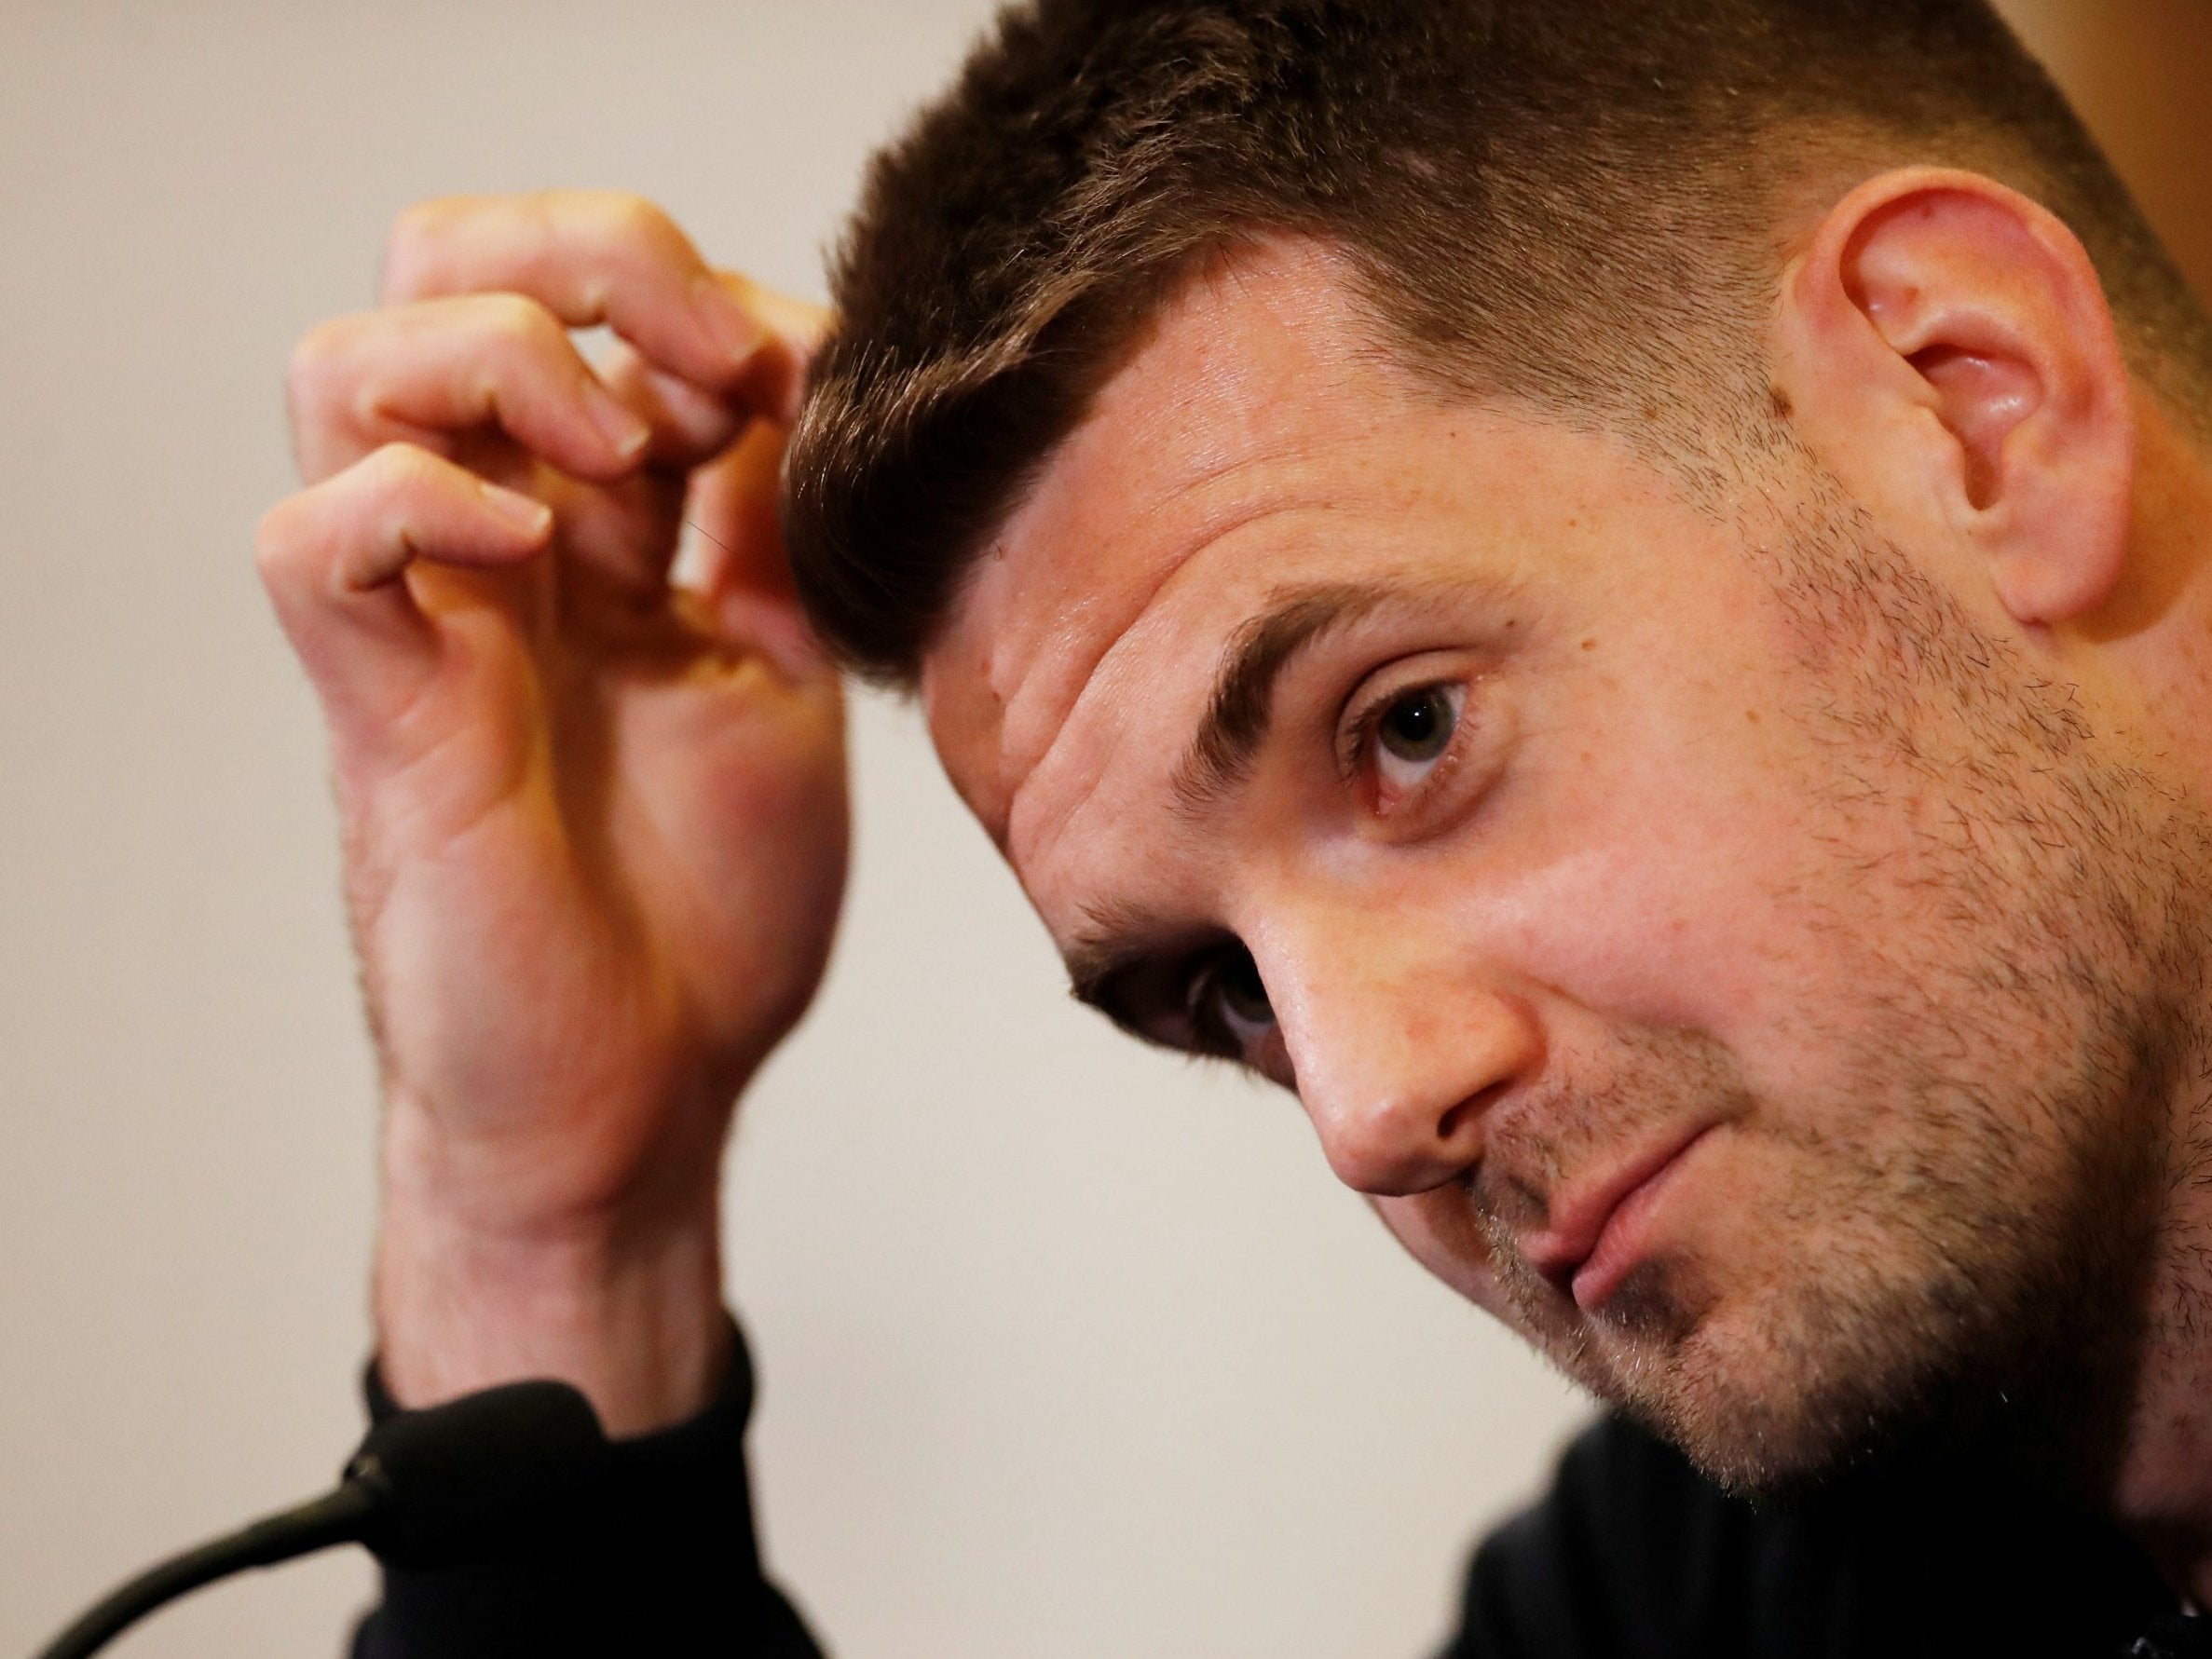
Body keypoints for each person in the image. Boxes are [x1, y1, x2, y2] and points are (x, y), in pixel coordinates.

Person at [254, 0, 2212, 1652]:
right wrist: (554, 1217)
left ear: (1970, 403)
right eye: (1226, 996)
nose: (1367, 1111)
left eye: (1408, 730)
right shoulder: (1696, 1592)